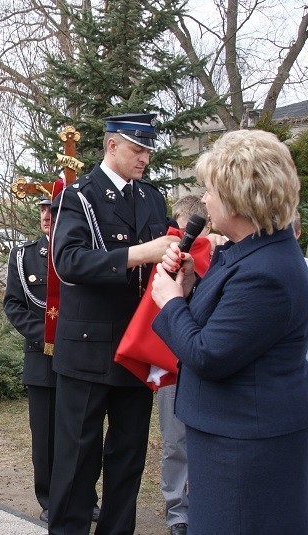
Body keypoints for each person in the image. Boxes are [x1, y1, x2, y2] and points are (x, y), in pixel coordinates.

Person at [151, 129, 308, 533]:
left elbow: (210, 354)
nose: (204, 199)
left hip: (244, 450)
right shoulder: (250, 253)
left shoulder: (267, 271)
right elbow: (228, 324)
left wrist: (169, 302)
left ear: (239, 199)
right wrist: (186, 288)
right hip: (227, 436)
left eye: (210, 190)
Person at [48, 113, 179, 534]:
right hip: (88, 348)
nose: (144, 158)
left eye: (148, 151)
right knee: (76, 461)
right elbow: (67, 261)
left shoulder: (152, 198)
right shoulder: (78, 196)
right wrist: (140, 253)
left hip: (138, 346)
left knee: (128, 458)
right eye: (137, 149)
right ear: (111, 146)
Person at [3, 198, 99, 525]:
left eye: (54, 211)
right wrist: (48, 338)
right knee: (45, 439)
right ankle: (49, 500)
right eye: (43, 210)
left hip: (82, 358)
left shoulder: (85, 253)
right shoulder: (24, 256)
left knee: (84, 431)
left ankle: (86, 497)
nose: (46, 216)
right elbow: (14, 306)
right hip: (42, 360)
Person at [157, 194, 211, 535]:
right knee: (175, 441)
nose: (181, 230)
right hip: (168, 361)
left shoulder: (218, 255)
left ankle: (202, 507)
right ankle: (177, 511)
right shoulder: (162, 255)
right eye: (178, 223)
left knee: (203, 441)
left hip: (205, 360)